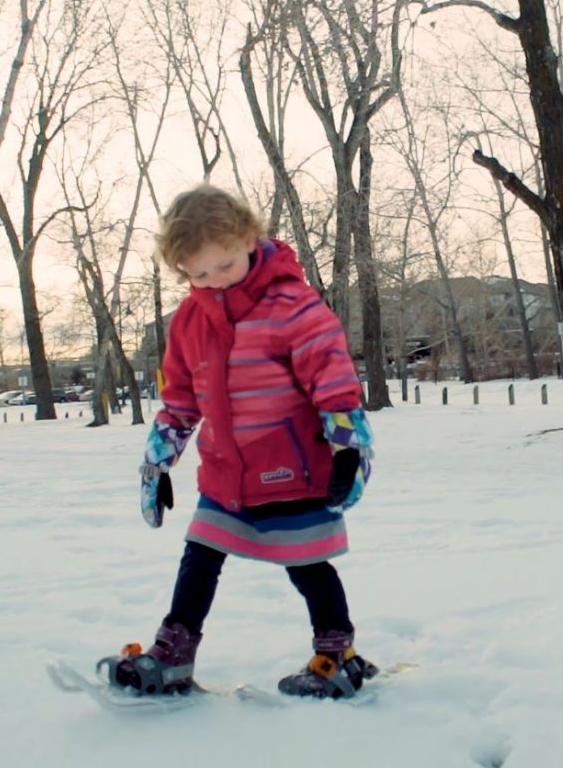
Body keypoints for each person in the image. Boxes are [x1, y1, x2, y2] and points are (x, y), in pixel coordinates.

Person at [102, 183, 376, 700]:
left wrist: (348, 448)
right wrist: (159, 461)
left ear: (250, 238)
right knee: (200, 553)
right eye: (197, 274)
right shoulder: (190, 320)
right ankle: (175, 654)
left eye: (223, 266)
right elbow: (181, 397)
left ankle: (338, 656)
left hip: (290, 466)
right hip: (226, 472)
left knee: (307, 562)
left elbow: (333, 379)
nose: (212, 281)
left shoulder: (293, 306)